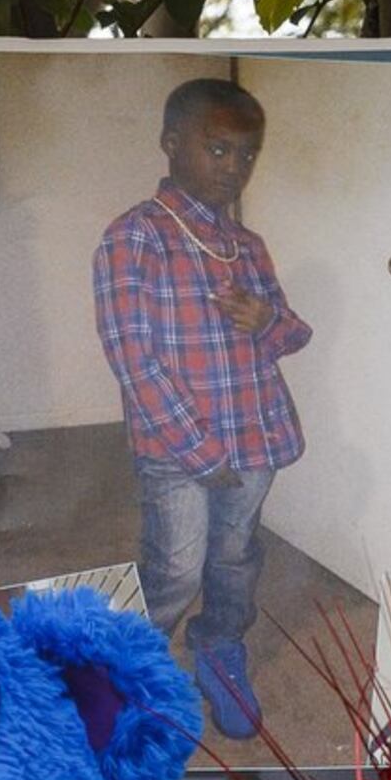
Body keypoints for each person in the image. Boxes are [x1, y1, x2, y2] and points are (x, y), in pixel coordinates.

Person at [94, 77, 312, 739]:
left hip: (255, 437)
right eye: (218, 150)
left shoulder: (247, 246)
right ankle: (129, 663)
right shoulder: (135, 238)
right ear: (170, 143)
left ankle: (219, 644)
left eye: (246, 155)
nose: (234, 168)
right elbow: (133, 358)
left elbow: (292, 336)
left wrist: (263, 317)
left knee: (236, 556)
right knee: (177, 563)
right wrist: (202, 452)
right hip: (178, 447)